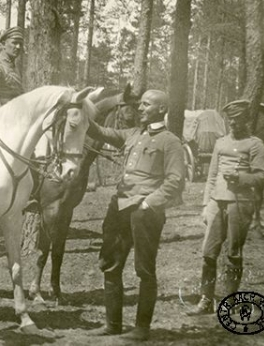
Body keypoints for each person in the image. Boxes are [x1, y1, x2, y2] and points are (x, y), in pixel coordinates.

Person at [86, 90, 186, 341]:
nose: (140, 108)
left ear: (162, 109)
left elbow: (176, 180)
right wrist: (79, 110)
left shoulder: (170, 141)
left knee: (144, 269)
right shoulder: (133, 135)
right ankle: (113, 325)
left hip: (145, 212)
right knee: (110, 264)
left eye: (147, 104)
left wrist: (150, 202)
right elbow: (99, 132)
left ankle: (142, 328)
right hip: (119, 208)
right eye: (140, 104)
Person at [186, 99, 264, 315]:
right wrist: (206, 204)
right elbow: (212, 175)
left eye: (238, 119)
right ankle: (205, 300)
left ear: (247, 119)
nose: (234, 123)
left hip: (240, 204)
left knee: (232, 253)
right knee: (208, 253)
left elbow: (262, 176)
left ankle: (228, 302)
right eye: (230, 119)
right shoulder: (220, 142)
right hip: (216, 202)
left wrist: (241, 177)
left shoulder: (255, 144)